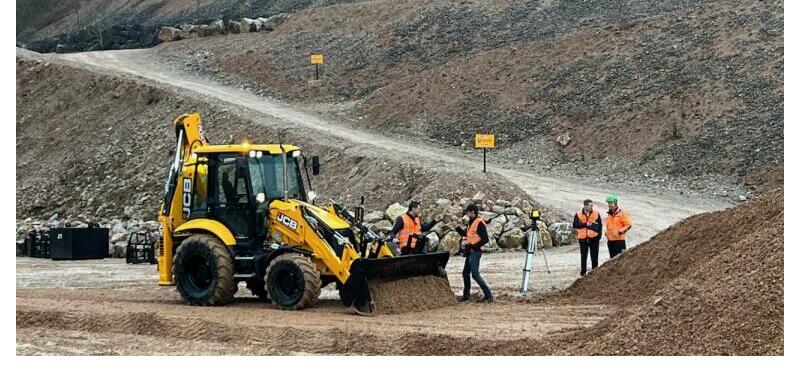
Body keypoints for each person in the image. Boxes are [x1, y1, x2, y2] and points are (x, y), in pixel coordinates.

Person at [455, 203, 493, 303]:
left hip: (475, 252)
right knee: (465, 273)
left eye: (468, 212)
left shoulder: (479, 222)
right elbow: (466, 234)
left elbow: (485, 239)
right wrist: (457, 227)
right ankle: (466, 296)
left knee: (475, 274)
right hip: (470, 252)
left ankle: (488, 295)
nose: (466, 213)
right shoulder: (471, 222)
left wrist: (474, 246)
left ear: (473, 212)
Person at [573, 199, 601, 276]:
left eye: (592, 205)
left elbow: (600, 226)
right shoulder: (578, 214)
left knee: (594, 255)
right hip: (583, 239)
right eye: (590, 205)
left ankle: (595, 272)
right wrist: (585, 224)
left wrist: (598, 236)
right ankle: (583, 272)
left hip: (594, 238)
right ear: (585, 205)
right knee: (583, 256)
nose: (591, 207)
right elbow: (575, 225)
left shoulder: (596, 213)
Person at [605, 194, 632, 258]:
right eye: (608, 203)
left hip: (619, 241)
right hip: (610, 241)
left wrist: (620, 231)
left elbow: (628, 225)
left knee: (621, 260)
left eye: (611, 203)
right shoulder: (609, 215)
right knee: (612, 260)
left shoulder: (622, 213)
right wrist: (606, 233)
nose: (609, 205)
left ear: (615, 203)